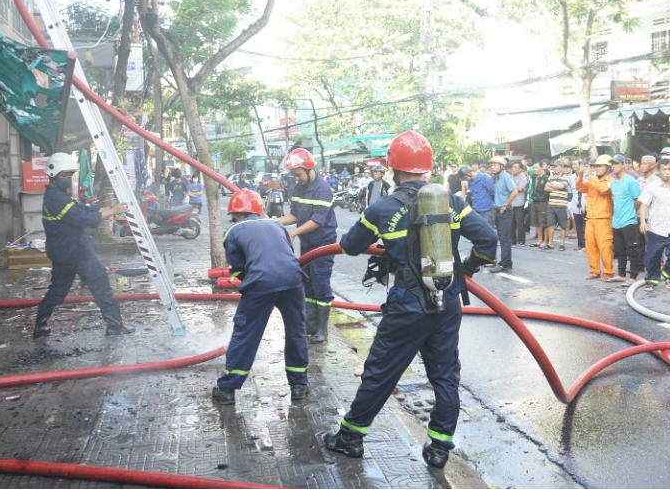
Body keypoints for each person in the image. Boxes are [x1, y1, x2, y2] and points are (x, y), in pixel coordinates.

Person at [322, 130, 498, 468]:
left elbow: (350, 246)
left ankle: (350, 437)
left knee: (381, 371)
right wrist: (469, 270)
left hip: (407, 303)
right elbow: (487, 241)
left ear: (392, 167)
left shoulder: (382, 208)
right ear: (427, 169)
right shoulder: (452, 201)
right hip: (447, 300)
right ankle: (439, 448)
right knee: (445, 375)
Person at [210, 189, 309, 406]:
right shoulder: (277, 225)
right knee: (296, 331)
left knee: (246, 333)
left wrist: (252, 285)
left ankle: (227, 389)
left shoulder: (233, 231)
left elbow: (238, 268)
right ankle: (299, 385)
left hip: (261, 282)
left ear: (235, 214)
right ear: (258, 210)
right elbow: (284, 254)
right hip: (293, 280)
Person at [33, 152, 134, 338]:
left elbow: (83, 210)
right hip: (76, 251)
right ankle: (114, 326)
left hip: (62, 252)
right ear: (53, 176)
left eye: (70, 174)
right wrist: (113, 210)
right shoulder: (56, 198)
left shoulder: (58, 195)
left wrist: (109, 208)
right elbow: (82, 218)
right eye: (65, 175)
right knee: (100, 283)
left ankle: (40, 327)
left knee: (57, 289)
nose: (68, 179)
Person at [276, 148, 338, 343]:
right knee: (308, 285)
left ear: (310, 169)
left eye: (298, 175)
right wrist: (273, 222)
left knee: (321, 285)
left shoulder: (322, 189)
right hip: (307, 244)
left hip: (322, 245)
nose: (297, 179)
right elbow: (294, 215)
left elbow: (317, 220)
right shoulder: (297, 189)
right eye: (294, 175)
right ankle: (310, 325)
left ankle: (322, 330)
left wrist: (294, 232)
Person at [639, 158, 670, 291]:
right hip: (656, 228)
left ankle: (669, 273)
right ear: (658, 170)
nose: (667, 172)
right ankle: (651, 280)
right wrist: (643, 222)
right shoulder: (652, 187)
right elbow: (644, 204)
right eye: (664, 169)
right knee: (653, 256)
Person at [576, 155, 615, 280]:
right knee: (591, 245)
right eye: (596, 166)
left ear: (608, 168)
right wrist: (580, 175)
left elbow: (603, 189)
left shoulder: (610, 180)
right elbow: (580, 187)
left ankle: (608, 272)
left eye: (600, 166)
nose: (597, 168)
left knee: (605, 246)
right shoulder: (593, 180)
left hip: (603, 218)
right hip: (591, 218)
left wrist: (590, 176)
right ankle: (595, 270)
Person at [608, 155, 642, 286]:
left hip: (629, 221)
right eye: (612, 163)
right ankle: (621, 274)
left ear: (624, 164)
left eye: (616, 163)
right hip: (616, 221)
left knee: (632, 249)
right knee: (619, 250)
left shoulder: (631, 180)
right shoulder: (612, 181)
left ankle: (633, 276)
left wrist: (631, 211)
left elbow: (637, 199)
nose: (614, 166)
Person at [489, 157, 517, 272]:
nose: (492, 167)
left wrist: (505, 205)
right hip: (498, 210)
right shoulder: (497, 178)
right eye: (491, 166)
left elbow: (514, 191)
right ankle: (508, 262)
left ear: (501, 166)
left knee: (504, 238)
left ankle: (504, 264)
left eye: (495, 165)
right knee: (502, 237)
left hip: (505, 210)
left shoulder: (505, 177)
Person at [543, 161, 570, 251]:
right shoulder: (551, 176)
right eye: (554, 166)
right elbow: (546, 188)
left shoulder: (566, 177)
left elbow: (562, 186)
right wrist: (556, 186)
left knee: (562, 225)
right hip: (551, 204)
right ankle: (550, 243)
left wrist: (553, 185)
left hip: (561, 205)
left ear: (562, 167)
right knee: (550, 224)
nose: (555, 168)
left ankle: (562, 244)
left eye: (557, 166)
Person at [462, 163, 496, 228]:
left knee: (489, 233)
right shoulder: (470, 182)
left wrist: (492, 205)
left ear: (469, 173)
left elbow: (493, 192)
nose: (466, 179)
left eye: (465, 177)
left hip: (487, 211)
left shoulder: (484, 178)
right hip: (476, 211)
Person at [527, 163, 549, 248]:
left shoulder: (545, 177)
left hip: (543, 202)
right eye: (534, 168)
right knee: (536, 222)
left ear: (541, 168)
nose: (535, 169)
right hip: (534, 201)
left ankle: (545, 241)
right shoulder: (533, 177)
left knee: (544, 222)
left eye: (536, 167)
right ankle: (539, 240)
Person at [509, 162, 529, 247]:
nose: (513, 169)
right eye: (513, 167)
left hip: (519, 203)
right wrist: (515, 186)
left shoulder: (523, 177)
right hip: (510, 202)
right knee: (511, 223)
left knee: (520, 223)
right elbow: (506, 188)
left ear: (520, 169)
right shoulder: (510, 177)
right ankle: (512, 240)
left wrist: (512, 187)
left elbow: (520, 188)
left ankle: (521, 240)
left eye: (515, 167)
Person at [568, 159, 586, 251]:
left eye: (575, 164)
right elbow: (570, 191)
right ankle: (580, 244)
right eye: (572, 164)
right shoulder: (571, 178)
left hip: (585, 204)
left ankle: (589, 244)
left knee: (586, 226)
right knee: (578, 226)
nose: (573, 166)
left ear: (580, 165)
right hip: (575, 203)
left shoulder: (586, 176)